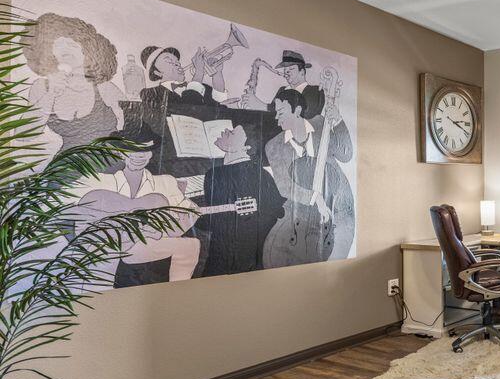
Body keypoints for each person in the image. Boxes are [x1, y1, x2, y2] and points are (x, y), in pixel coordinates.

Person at [72, 128, 200, 284]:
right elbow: (59, 202)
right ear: (120, 153)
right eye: (131, 150)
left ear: (151, 154)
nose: (139, 155)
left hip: (139, 245)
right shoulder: (99, 180)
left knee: (191, 245)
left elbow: (185, 212)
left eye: (145, 150)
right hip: (105, 245)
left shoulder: (165, 182)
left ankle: (178, 290)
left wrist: (172, 225)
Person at [262, 87, 354, 267]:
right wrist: (315, 198)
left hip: (337, 207)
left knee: (336, 263)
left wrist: (337, 120)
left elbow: (346, 154)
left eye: (281, 112)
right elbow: (284, 185)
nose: (276, 117)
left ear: (297, 110)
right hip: (300, 211)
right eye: (276, 113)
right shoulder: (273, 146)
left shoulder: (321, 124)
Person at [24, 13, 124, 155]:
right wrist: (51, 93)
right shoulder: (41, 87)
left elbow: (133, 121)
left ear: (86, 52)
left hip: (109, 157)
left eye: (72, 44)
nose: (65, 49)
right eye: (58, 44)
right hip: (69, 162)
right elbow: (25, 135)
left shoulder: (102, 86)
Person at [198, 124, 285, 276]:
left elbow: (213, 222)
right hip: (258, 256)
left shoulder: (214, 174)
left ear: (245, 146)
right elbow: (278, 211)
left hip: (224, 258)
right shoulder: (262, 173)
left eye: (231, 133)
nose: (225, 130)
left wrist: (195, 219)